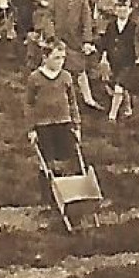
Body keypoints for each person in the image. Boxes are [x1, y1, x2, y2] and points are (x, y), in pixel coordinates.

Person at [26, 42, 85, 178]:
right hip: (43, 125)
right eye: (56, 58)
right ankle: (48, 192)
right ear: (45, 58)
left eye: (63, 58)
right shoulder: (35, 78)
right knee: (47, 161)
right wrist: (31, 129)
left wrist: (76, 125)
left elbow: (72, 102)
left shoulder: (66, 77)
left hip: (64, 122)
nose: (60, 62)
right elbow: (29, 104)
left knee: (66, 158)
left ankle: (67, 190)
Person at [98, 0, 139, 122]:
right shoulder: (111, 26)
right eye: (119, 7)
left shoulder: (134, 26)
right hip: (113, 60)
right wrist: (104, 57)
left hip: (128, 61)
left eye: (125, 8)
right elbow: (105, 42)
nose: (122, 10)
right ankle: (127, 109)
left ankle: (112, 115)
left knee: (119, 86)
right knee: (119, 85)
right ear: (115, 10)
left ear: (130, 10)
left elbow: (137, 43)